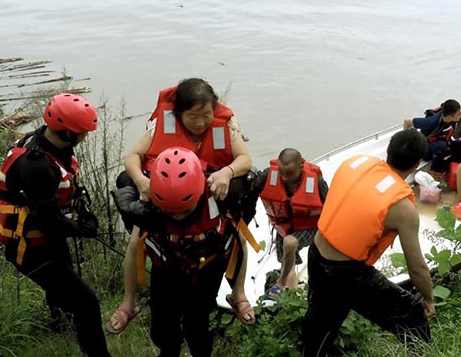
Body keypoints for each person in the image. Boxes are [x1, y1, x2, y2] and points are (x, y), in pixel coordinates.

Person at [108, 78, 255, 334]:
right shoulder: (160, 125)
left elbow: (245, 159)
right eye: (192, 116)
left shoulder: (226, 125)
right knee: (135, 240)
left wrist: (227, 173)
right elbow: (132, 157)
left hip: (207, 190)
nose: (200, 123)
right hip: (166, 193)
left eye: (206, 115)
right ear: (178, 113)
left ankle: (238, 293)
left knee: (238, 237)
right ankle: (128, 302)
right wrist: (142, 182)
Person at [0, 93, 110, 357]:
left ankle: (60, 326)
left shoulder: (45, 142)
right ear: (68, 133)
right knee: (87, 303)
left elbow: (62, 194)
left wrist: (83, 212)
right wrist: (83, 229)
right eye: (83, 133)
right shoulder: (36, 166)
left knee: (62, 282)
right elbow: (49, 222)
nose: (86, 138)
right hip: (30, 249)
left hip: (45, 241)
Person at [112, 147, 257, 357]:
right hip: (167, 270)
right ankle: (163, 344)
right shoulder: (146, 202)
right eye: (171, 211)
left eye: (185, 209)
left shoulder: (220, 193)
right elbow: (135, 247)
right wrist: (129, 300)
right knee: (162, 329)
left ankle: (237, 297)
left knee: (196, 325)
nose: (178, 216)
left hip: (207, 270)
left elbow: (240, 241)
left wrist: (238, 290)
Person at [302, 129, 434, 356]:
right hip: (346, 272)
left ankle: (316, 352)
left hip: (316, 252)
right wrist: (428, 299)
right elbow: (417, 268)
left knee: (323, 316)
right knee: (412, 315)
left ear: (388, 150)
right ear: (416, 166)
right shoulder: (403, 208)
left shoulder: (354, 162)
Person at [256, 148, 328, 298]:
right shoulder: (269, 175)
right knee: (287, 263)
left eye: (289, 174)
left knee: (289, 243)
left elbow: (330, 209)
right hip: (284, 225)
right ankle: (293, 296)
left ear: (301, 168)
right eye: (281, 173)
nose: (284, 177)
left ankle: (280, 283)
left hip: (309, 227)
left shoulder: (317, 183)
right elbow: (250, 192)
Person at [403, 99, 461, 177]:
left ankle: (447, 164)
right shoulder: (431, 122)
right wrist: (405, 144)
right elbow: (407, 122)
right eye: (459, 114)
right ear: (449, 117)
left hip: (445, 143)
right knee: (442, 145)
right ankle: (435, 170)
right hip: (428, 148)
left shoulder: (454, 114)